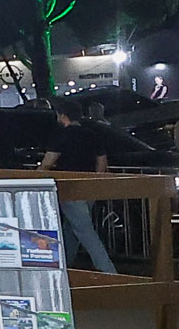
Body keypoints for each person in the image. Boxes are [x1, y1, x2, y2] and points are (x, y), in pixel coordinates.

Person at [40, 106, 122, 274]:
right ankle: (63, 265)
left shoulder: (61, 135)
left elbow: (48, 163)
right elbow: (102, 161)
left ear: (63, 116)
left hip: (69, 187)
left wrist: (35, 176)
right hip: (87, 187)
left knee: (84, 230)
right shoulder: (91, 134)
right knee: (72, 228)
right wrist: (95, 181)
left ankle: (108, 271)